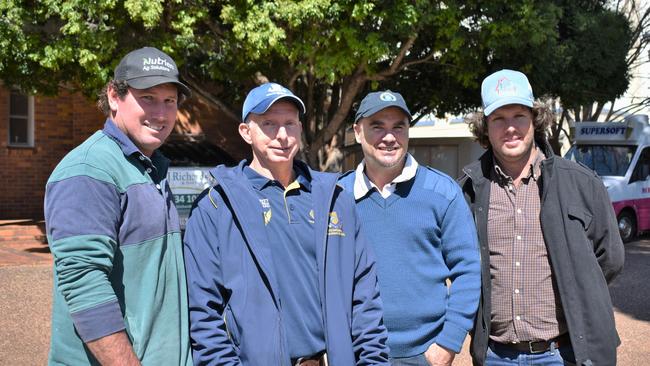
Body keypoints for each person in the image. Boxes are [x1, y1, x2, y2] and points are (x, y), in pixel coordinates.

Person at [183, 82, 389, 365]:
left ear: (300, 130)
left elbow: (364, 297)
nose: (282, 135)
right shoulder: (216, 208)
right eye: (268, 124)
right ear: (246, 132)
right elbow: (204, 315)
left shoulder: (335, 199)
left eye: (290, 124)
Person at [459, 69, 625, 366]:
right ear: (485, 127)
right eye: (499, 118)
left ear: (535, 120)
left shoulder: (582, 183)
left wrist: (577, 288)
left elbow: (609, 258)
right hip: (496, 356)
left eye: (519, 116)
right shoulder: (470, 189)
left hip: (563, 354)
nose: (510, 128)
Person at [44, 47, 193, 365]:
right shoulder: (90, 169)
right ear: (114, 96)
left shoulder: (148, 168)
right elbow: (83, 283)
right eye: (148, 98)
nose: (162, 114)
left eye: (170, 101)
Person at [338, 90, 481, 366]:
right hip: (357, 354)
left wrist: (448, 344)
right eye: (377, 127)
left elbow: (468, 269)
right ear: (357, 131)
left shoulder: (442, 191)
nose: (389, 137)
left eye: (398, 127)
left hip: (424, 356)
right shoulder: (337, 196)